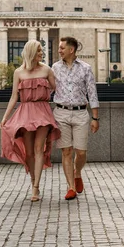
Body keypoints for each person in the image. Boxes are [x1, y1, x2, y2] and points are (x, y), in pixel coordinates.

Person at [0, 39, 61, 202]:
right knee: (29, 152)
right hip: (25, 112)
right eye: (39, 50)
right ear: (32, 52)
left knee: (39, 148)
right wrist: (5, 117)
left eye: (42, 50)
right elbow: (14, 96)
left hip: (42, 111)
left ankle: (36, 188)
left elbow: (59, 90)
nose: (42, 53)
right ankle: (33, 180)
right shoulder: (19, 72)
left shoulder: (47, 70)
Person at [52, 36, 100, 200]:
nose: (59, 50)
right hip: (61, 113)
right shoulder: (55, 68)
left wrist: (95, 118)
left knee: (81, 152)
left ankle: (77, 172)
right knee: (66, 151)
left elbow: (92, 93)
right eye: (59, 47)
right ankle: (71, 187)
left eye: (62, 48)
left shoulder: (86, 68)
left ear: (71, 50)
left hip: (80, 113)